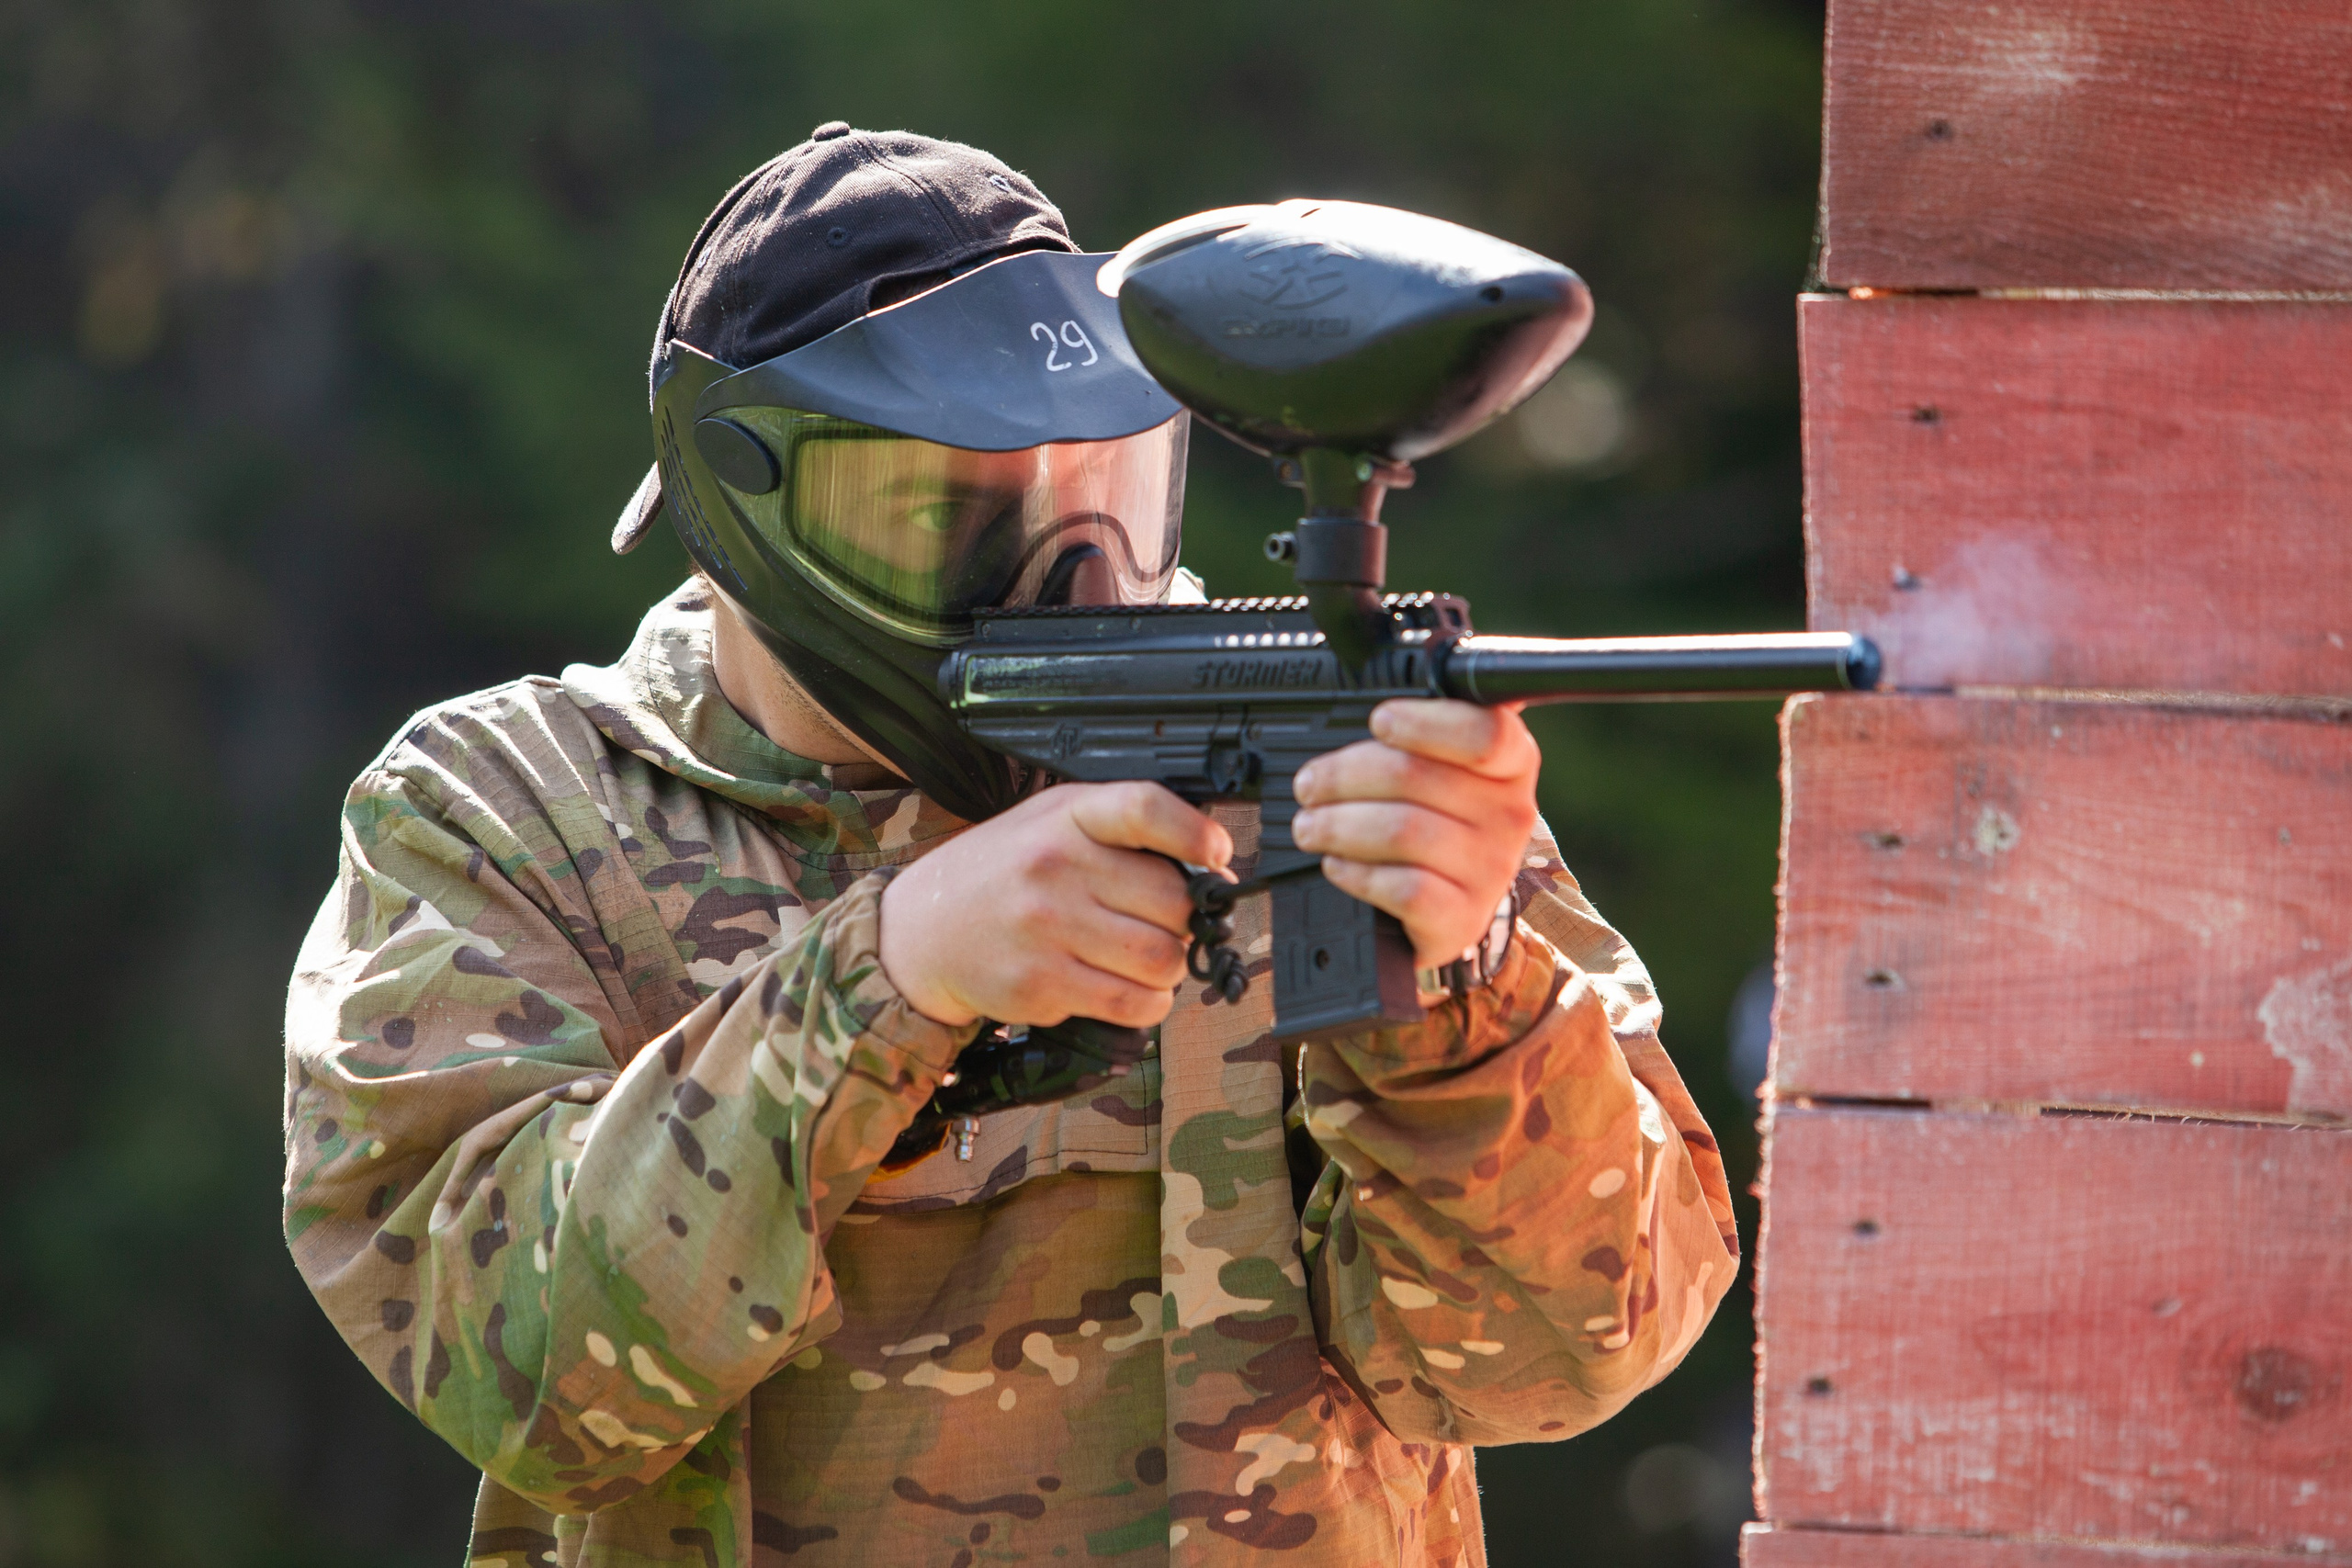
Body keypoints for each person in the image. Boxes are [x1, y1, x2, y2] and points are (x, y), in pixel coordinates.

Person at [283, 123, 1738, 1568]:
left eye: (1099, 498)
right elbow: (525, 1379)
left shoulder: (1313, 755)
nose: (1069, 581)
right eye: (943, 513)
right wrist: (891, 974)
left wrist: (1463, 977)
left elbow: (1567, 1360)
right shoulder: (506, 812)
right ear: (736, 511)